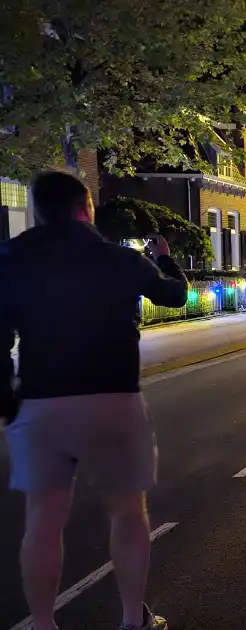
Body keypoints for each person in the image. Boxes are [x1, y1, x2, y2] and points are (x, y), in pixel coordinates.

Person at [1, 170, 187, 630]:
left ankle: (43, 624)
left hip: (41, 403)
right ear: (87, 208)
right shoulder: (117, 259)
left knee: (43, 521)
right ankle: (132, 621)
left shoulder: (9, 259)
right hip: (114, 399)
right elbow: (174, 295)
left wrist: (9, 402)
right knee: (127, 512)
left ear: (39, 211)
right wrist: (165, 259)